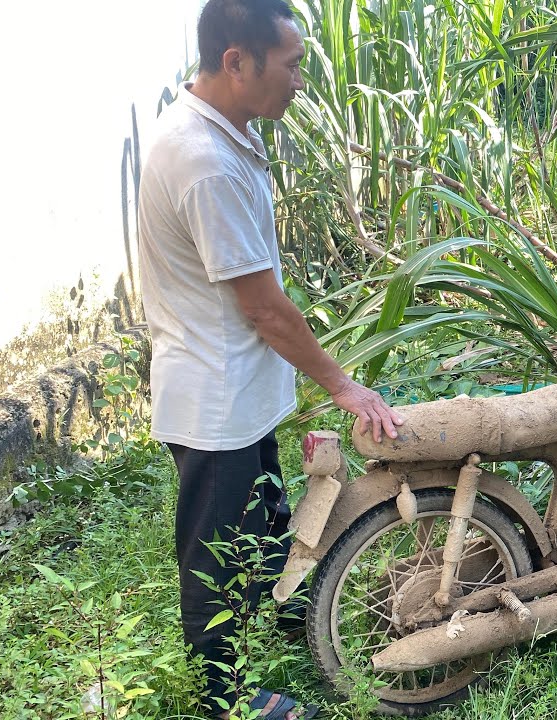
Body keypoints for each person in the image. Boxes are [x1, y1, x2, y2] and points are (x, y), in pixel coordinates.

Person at [136, 1, 403, 717]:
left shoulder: (224, 132)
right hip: (214, 402)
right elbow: (262, 308)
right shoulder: (203, 162)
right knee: (213, 558)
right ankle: (224, 701)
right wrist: (344, 386)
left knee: (261, 520)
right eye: (289, 66)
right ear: (236, 62)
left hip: (238, 389)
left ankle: (283, 617)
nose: (298, 82)